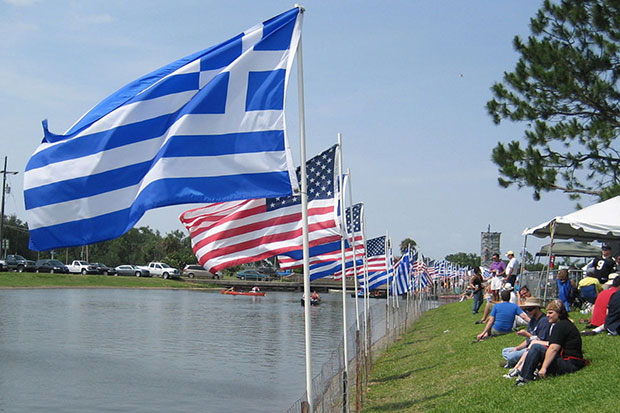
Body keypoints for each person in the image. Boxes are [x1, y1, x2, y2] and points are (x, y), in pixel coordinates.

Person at [515, 300, 587, 386]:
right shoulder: (562, 324)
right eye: (547, 313)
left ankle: (525, 378)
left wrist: (544, 368)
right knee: (536, 346)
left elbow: (554, 348)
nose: (547, 315)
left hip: (570, 363)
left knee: (536, 348)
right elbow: (551, 345)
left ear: (559, 313)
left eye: (550, 313)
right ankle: (526, 373)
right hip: (571, 361)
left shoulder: (560, 326)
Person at [501, 297, 551, 369]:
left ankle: (516, 361)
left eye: (529, 309)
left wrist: (527, 334)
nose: (527, 312)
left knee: (511, 356)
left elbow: (540, 342)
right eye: (525, 309)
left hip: (535, 349)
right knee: (505, 350)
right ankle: (517, 360)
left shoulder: (544, 321)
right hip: (528, 347)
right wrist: (517, 348)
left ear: (537, 308)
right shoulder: (532, 320)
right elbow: (528, 340)